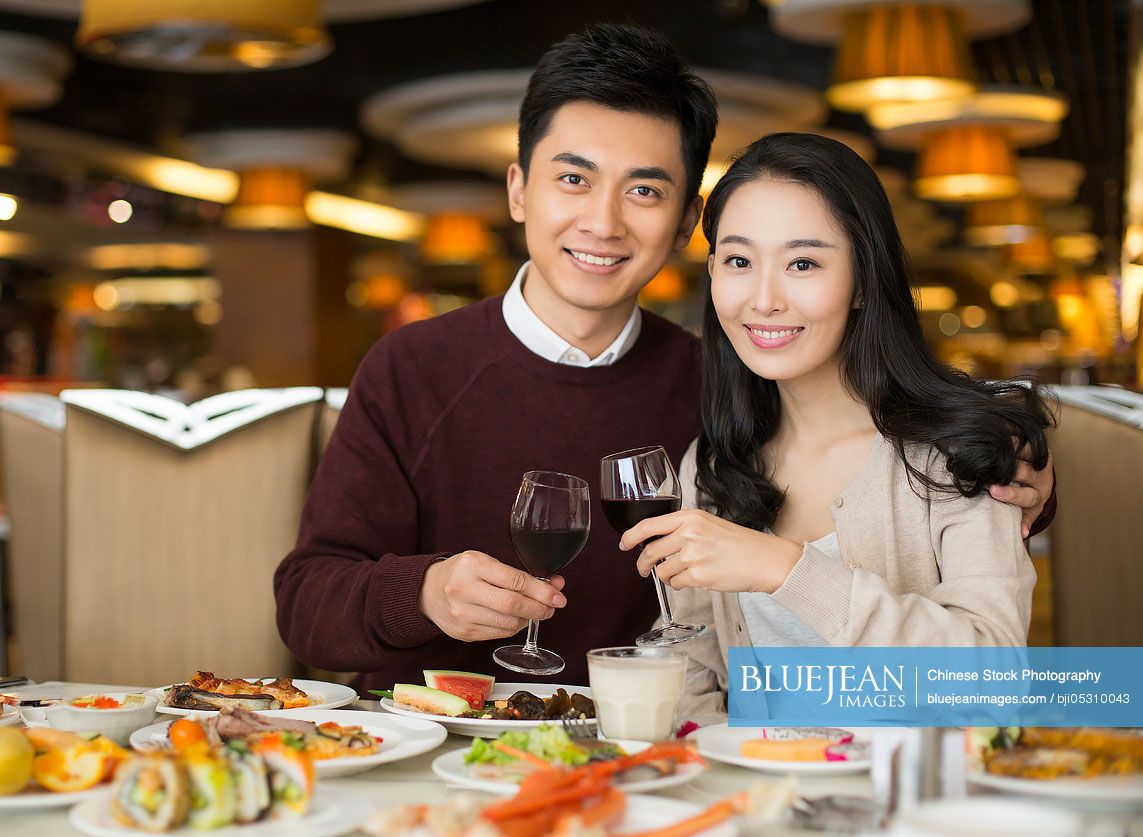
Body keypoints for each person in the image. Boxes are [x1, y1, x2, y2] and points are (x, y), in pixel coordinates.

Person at [274, 27, 1055, 693]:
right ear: (518, 190)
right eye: (572, 179)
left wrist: (1007, 472)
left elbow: (889, 477)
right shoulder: (411, 368)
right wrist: (423, 593)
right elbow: (306, 601)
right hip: (438, 756)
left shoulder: (724, 390)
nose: (602, 221)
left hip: (654, 760)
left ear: (685, 224)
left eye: (643, 192)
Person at [616, 133, 1055, 717]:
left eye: (803, 263)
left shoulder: (957, 452)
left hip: (914, 798)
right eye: (739, 261)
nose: (764, 298)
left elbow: (994, 675)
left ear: (862, 282)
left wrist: (785, 569)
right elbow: (693, 665)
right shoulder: (714, 463)